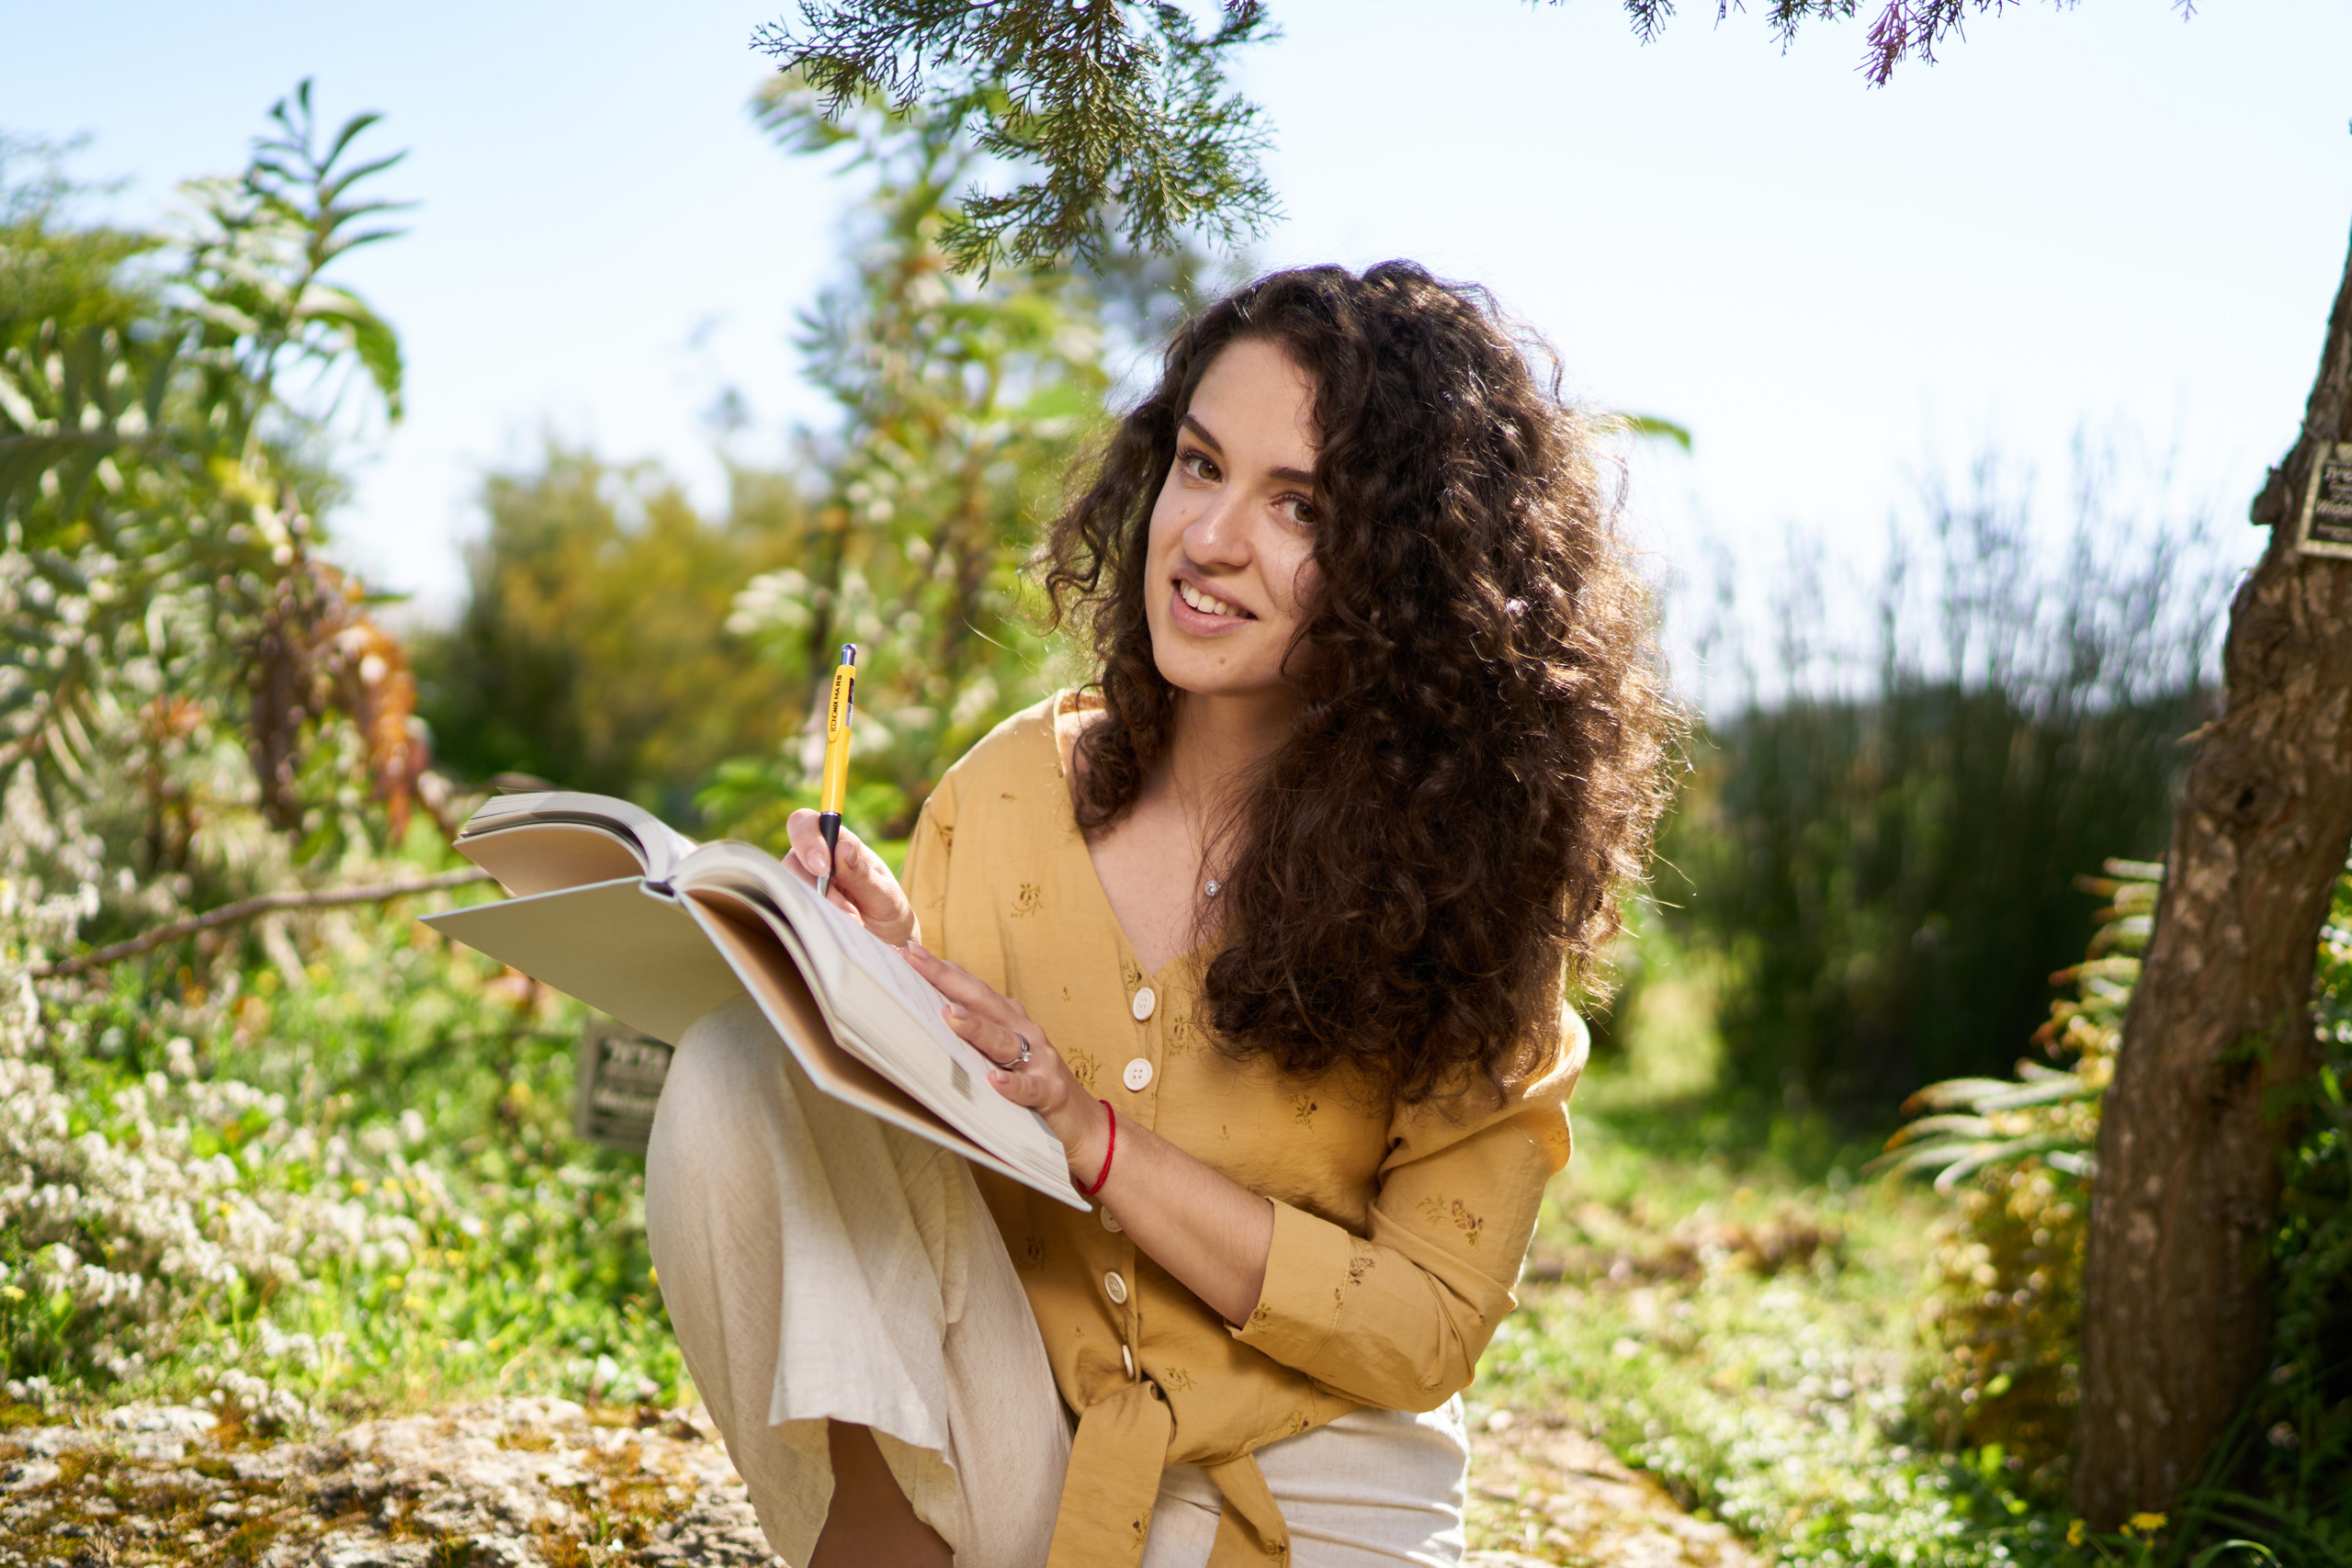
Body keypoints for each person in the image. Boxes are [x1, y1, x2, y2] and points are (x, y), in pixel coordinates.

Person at [643, 261, 1675, 1568]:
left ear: (1414, 573)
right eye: (1199, 466)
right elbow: (934, 1204)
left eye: (1299, 504)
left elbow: (1427, 1331)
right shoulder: (1002, 797)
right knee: (740, 1078)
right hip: (1028, 1444)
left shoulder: (1473, 885)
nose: (1210, 538)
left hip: (1309, 1491)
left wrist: (1103, 1143)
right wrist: (883, 977)